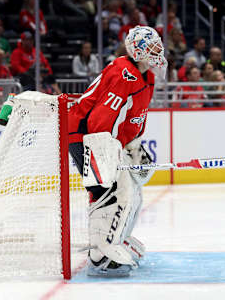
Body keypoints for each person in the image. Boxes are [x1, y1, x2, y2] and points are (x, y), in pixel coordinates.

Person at [68, 26, 166, 277]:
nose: (158, 50)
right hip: (85, 135)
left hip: (106, 138)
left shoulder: (147, 77)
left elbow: (134, 119)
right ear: (137, 50)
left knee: (132, 190)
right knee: (108, 191)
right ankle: (101, 254)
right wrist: (104, 151)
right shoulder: (124, 73)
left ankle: (117, 239)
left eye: (158, 45)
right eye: (151, 46)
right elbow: (100, 120)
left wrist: (134, 147)